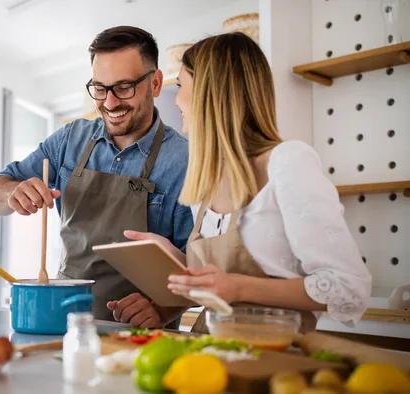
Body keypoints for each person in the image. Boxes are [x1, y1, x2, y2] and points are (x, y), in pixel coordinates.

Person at [125, 32, 372, 332]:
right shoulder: (206, 183)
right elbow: (217, 284)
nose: (176, 100)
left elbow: (348, 288)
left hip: (275, 360)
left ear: (209, 91)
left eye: (181, 85)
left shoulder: (287, 161)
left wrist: (240, 288)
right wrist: (169, 261)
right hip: (207, 357)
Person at [0, 26, 193, 328]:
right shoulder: (70, 139)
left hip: (140, 336)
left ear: (156, 83)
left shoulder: (184, 161)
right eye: (100, 88)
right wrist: (13, 193)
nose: (109, 103)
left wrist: (162, 308)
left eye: (124, 88)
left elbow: (199, 267)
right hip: (63, 324)